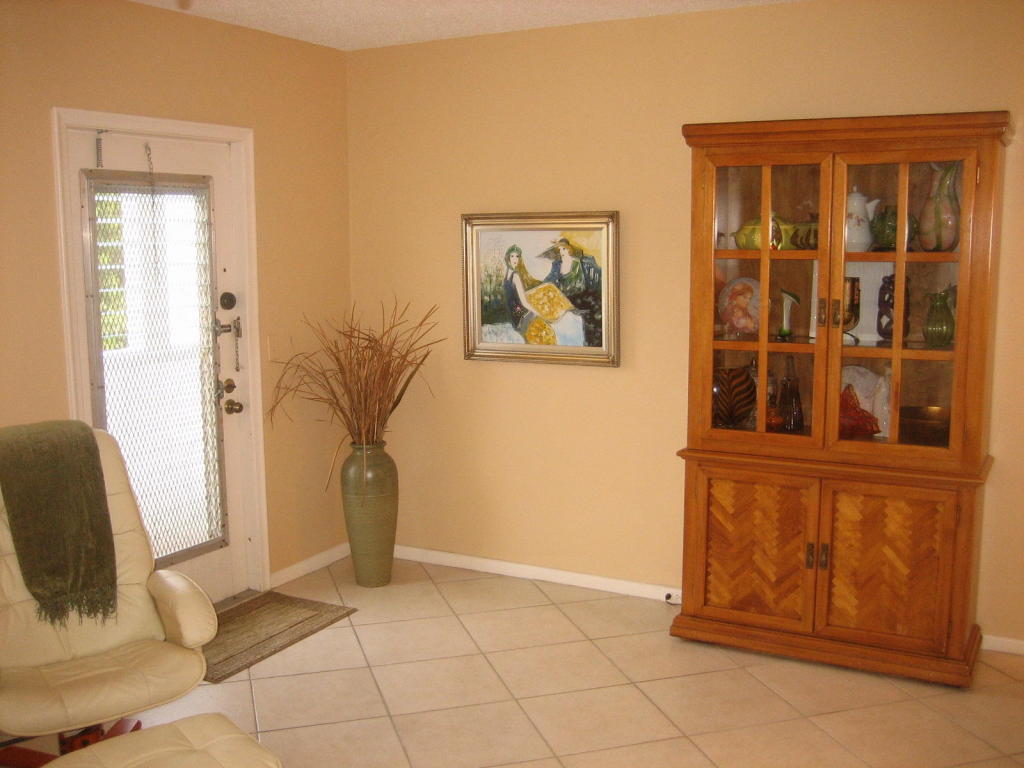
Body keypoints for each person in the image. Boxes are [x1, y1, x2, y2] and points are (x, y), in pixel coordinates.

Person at [539, 237, 603, 347]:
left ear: (569, 249)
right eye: (559, 249)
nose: (561, 252)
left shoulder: (579, 264)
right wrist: (541, 288)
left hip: (581, 298)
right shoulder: (557, 265)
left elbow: (587, 283)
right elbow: (548, 281)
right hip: (564, 300)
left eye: (564, 249)